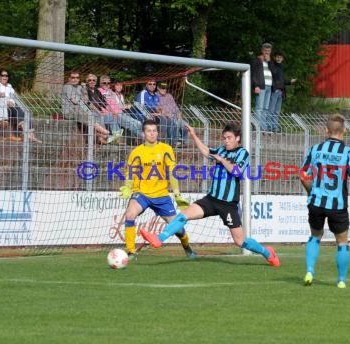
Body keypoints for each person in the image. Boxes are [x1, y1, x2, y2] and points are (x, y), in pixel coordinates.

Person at [140, 123, 281, 267]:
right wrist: (194, 135)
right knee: (184, 215)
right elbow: (206, 151)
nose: (226, 141)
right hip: (211, 199)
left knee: (240, 241)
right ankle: (159, 239)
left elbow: (237, 172)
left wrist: (222, 160)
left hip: (228, 204)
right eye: (224, 138)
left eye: (229, 138)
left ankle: (267, 253)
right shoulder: (221, 150)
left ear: (237, 138)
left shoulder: (242, 153)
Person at [300, 114, 350, 289]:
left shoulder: (315, 149)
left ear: (326, 130)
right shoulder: (348, 153)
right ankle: (341, 280)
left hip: (316, 202)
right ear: (344, 131)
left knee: (315, 236)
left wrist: (312, 192)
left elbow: (303, 176)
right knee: (342, 242)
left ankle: (310, 270)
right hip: (337, 205)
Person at [119, 119, 195, 259]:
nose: (152, 134)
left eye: (154, 131)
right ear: (143, 133)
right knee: (130, 215)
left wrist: (177, 194)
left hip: (161, 195)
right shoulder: (137, 152)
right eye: (149, 131)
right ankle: (130, 251)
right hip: (142, 193)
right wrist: (128, 187)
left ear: (158, 133)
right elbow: (131, 173)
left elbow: (172, 172)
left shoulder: (166, 149)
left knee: (177, 228)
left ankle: (187, 246)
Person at [0, 69, 41, 143]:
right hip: (2, 110)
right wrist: (7, 102)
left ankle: (31, 135)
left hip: (11, 107)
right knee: (18, 111)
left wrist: (11, 102)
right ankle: (28, 135)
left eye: (6, 76)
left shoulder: (9, 86)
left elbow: (14, 98)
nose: (5, 77)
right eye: (3, 75)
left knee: (27, 112)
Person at [62, 71, 109, 144]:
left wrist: (84, 90)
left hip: (79, 110)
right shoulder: (67, 87)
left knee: (94, 114)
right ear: (69, 79)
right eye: (73, 77)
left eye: (77, 77)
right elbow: (75, 101)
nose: (75, 79)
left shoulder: (79, 87)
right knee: (90, 116)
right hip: (70, 111)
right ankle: (106, 133)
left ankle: (102, 137)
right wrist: (86, 105)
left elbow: (86, 100)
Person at [100, 77, 143, 142]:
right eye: (104, 83)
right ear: (101, 83)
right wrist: (113, 112)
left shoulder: (110, 92)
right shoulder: (99, 91)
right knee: (132, 124)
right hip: (114, 114)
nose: (106, 84)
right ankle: (147, 139)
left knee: (138, 123)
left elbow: (117, 104)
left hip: (120, 112)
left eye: (108, 83)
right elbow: (102, 104)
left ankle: (141, 139)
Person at [83, 73, 122, 144]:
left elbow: (104, 103)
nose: (92, 82)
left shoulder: (97, 91)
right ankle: (103, 138)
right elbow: (88, 102)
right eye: (90, 80)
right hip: (90, 112)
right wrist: (98, 111)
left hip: (98, 112)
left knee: (112, 116)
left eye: (94, 80)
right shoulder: (84, 89)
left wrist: (113, 112)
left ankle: (117, 138)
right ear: (87, 81)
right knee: (100, 116)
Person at [268, 51, 296, 130]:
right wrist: (275, 88)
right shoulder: (273, 65)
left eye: (280, 57)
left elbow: (282, 80)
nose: (278, 59)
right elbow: (273, 74)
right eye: (277, 57)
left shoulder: (281, 67)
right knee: (271, 110)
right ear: (274, 57)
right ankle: (269, 126)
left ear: (282, 59)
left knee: (277, 111)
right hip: (275, 90)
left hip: (281, 91)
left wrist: (290, 81)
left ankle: (275, 127)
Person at [251, 43, 276, 132]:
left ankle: (263, 127)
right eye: (265, 51)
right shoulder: (258, 60)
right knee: (259, 107)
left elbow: (274, 72)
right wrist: (255, 85)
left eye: (268, 51)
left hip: (269, 86)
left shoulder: (271, 61)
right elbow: (253, 74)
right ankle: (257, 126)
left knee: (265, 108)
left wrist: (269, 61)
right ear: (262, 50)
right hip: (261, 86)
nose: (267, 53)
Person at [156, 82, 188, 146]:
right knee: (175, 123)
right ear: (158, 88)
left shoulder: (169, 96)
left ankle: (183, 142)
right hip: (166, 116)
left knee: (185, 125)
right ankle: (174, 142)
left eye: (165, 88)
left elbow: (175, 107)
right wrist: (166, 114)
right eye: (162, 88)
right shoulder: (155, 96)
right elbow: (157, 109)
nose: (164, 89)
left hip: (174, 115)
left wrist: (179, 114)